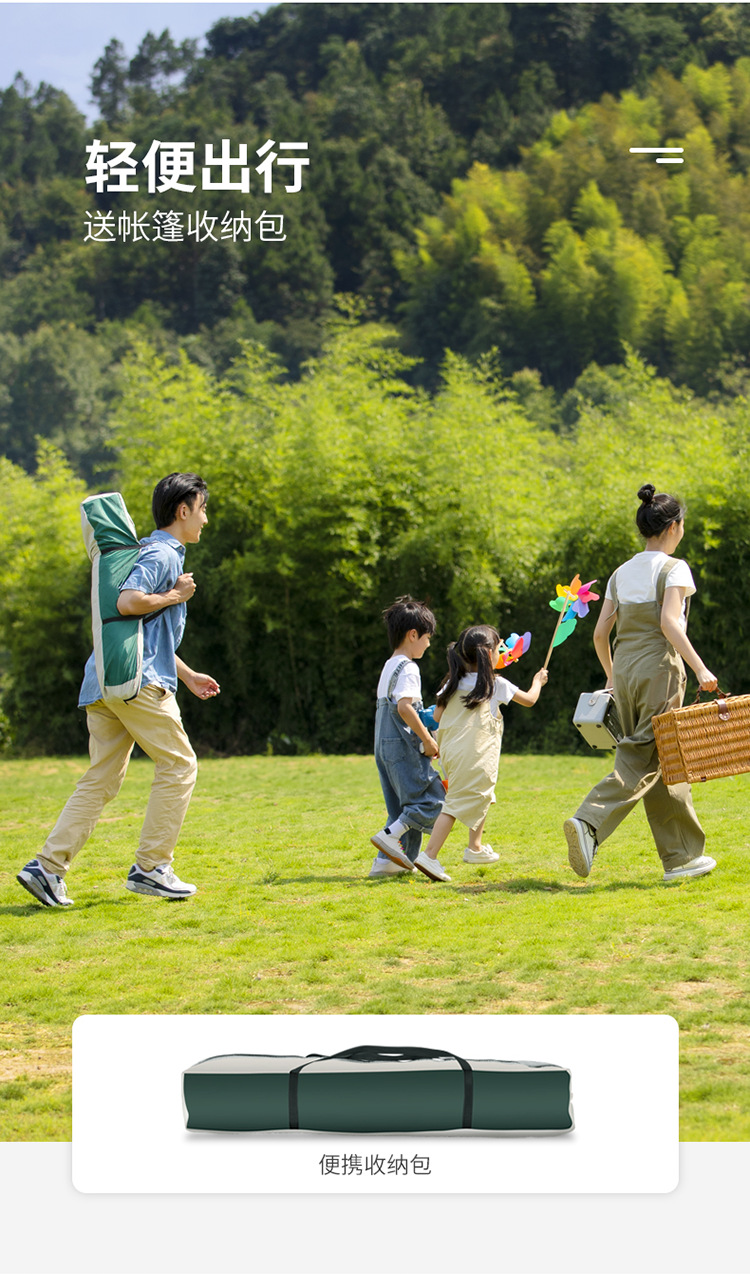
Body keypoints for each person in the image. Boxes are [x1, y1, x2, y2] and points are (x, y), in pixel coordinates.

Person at [16, 473, 220, 908]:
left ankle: (47, 868)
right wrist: (176, 595)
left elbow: (142, 631)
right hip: (139, 684)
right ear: (183, 510)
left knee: (102, 777)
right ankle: (152, 867)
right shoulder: (162, 553)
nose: (205, 519)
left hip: (105, 681)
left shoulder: (148, 550)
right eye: (203, 509)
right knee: (180, 764)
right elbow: (128, 603)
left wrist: (187, 675)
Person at [564, 484, 718, 885]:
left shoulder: (620, 573)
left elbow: (600, 633)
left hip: (627, 672)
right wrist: (700, 668)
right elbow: (669, 623)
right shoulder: (674, 568)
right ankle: (589, 822)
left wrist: (612, 676)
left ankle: (681, 857)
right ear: (673, 527)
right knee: (645, 753)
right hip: (659, 670)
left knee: (666, 759)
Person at [415, 625, 548, 881]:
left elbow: (437, 717)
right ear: (489, 654)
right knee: (455, 804)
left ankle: (475, 847)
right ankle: (429, 855)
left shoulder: (452, 683)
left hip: (451, 754)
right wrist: (537, 681)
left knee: (483, 794)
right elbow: (530, 700)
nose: (501, 652)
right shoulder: (495, 684)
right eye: (499, 648)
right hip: (475, 756)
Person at [369, 596, 445, 878]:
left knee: (401, 808)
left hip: (383, 746)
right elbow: (404, 707)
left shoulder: (390, 665)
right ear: (413, 635)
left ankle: (386, 864)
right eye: (427, 637)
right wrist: (427, 740)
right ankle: (389, 837)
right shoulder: (409, 667)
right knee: (433, 799)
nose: (428, 644)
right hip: (403, 747)